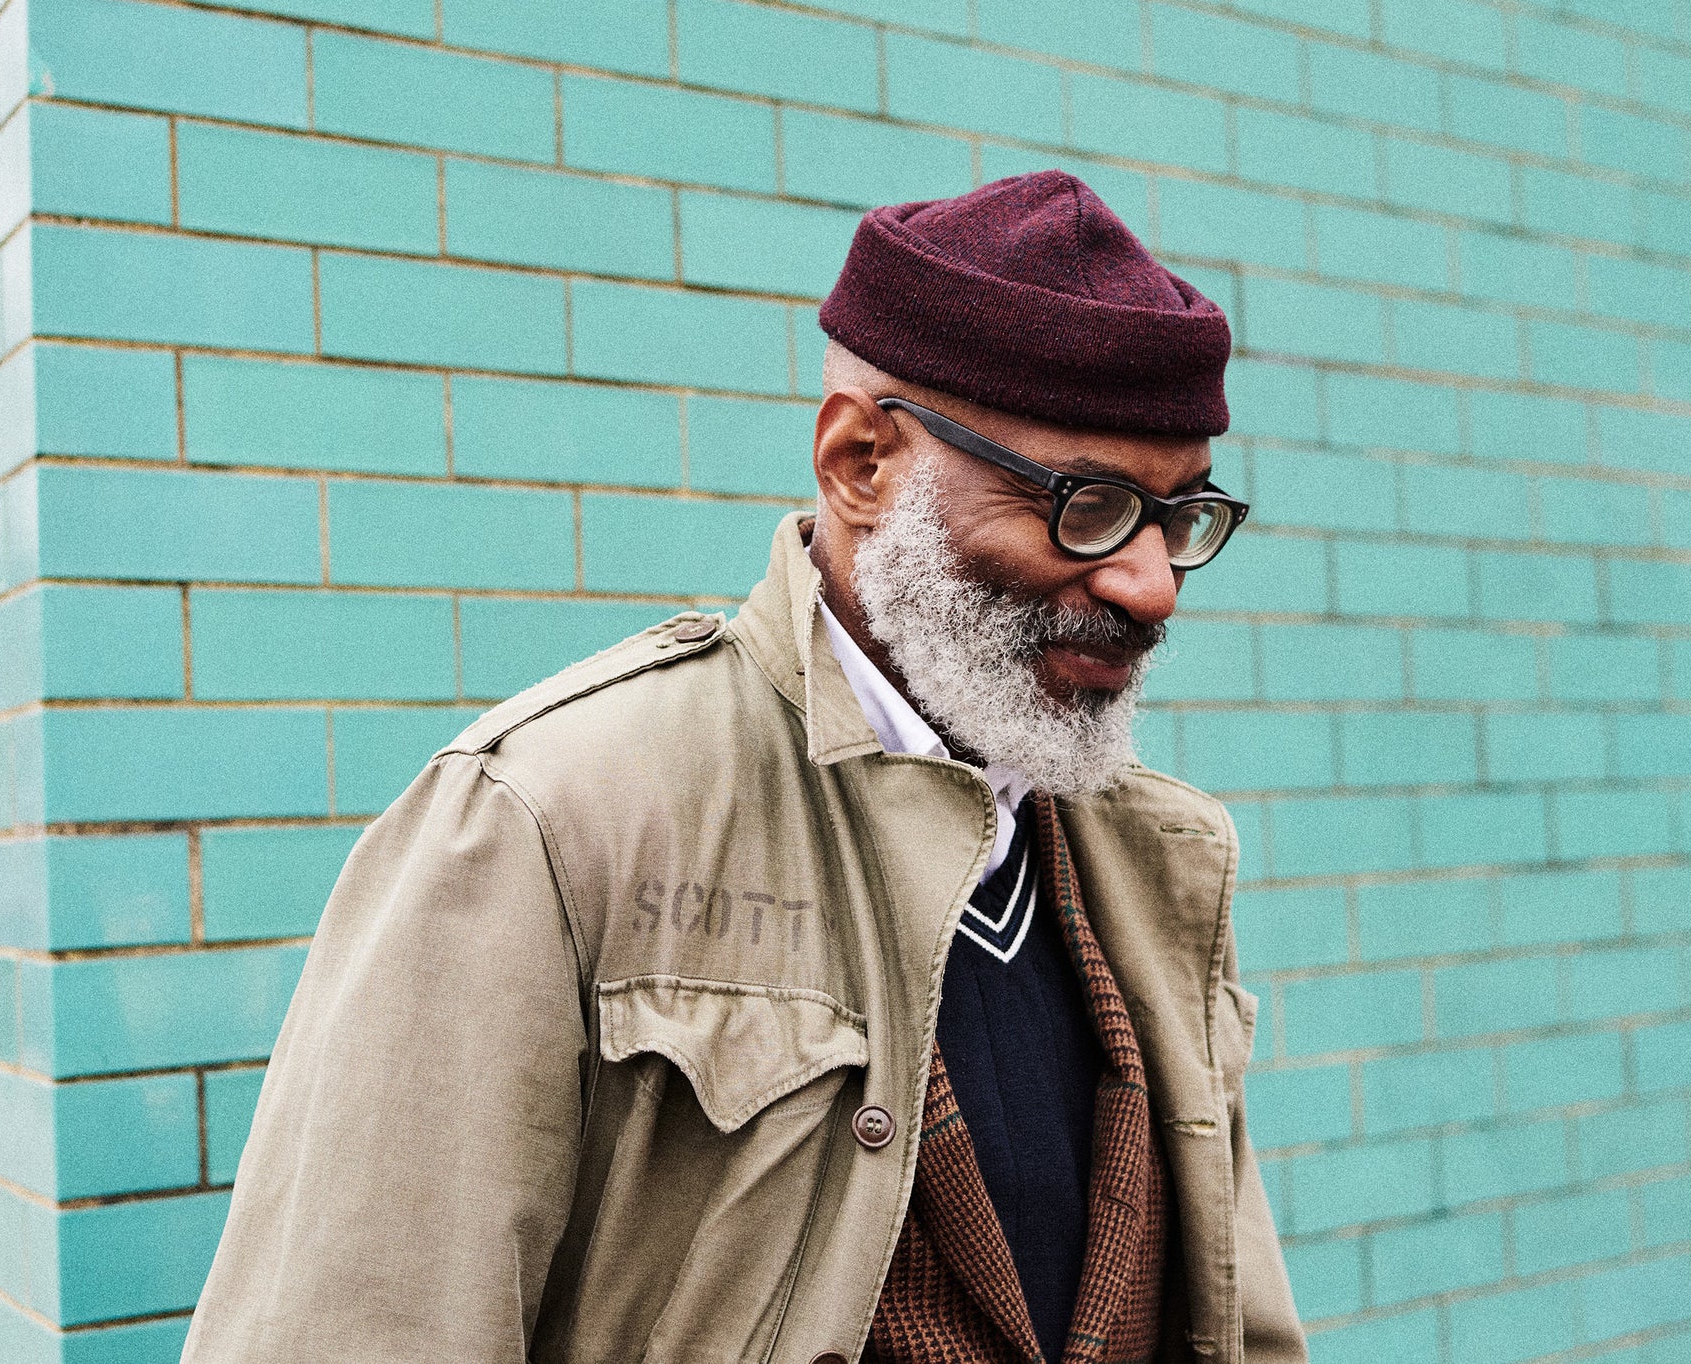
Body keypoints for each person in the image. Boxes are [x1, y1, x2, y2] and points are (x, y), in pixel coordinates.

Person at [180, 171, 1307, 1364]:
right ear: (860, 461)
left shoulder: (1157, 860)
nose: (1149, 582)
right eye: (1087, 504)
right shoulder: (550, 818)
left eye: (1180, 516)